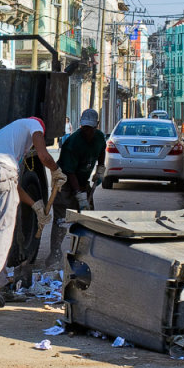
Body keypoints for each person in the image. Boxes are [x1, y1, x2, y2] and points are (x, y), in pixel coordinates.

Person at [0, 117, 66, 307]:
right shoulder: (34, 125)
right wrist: (56, 170)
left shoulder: (9, 136)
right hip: (1, 173)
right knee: (4, 228)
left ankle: (1, 284)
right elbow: (44, 156)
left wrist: (36, 206)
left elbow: (13, 185)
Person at [48, 108, 106, 267]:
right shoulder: (73, 143)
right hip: (65, 182)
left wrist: (100, 168)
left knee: (88, 218)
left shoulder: (100, 137)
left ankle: (84, 255)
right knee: (62, 218)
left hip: (82, 181)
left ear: (97, 126)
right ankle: (55, 255)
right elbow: (69, 172)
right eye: (84, 128)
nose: (87, 131)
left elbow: (102, 151)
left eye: (90, 128)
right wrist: (79, 194)